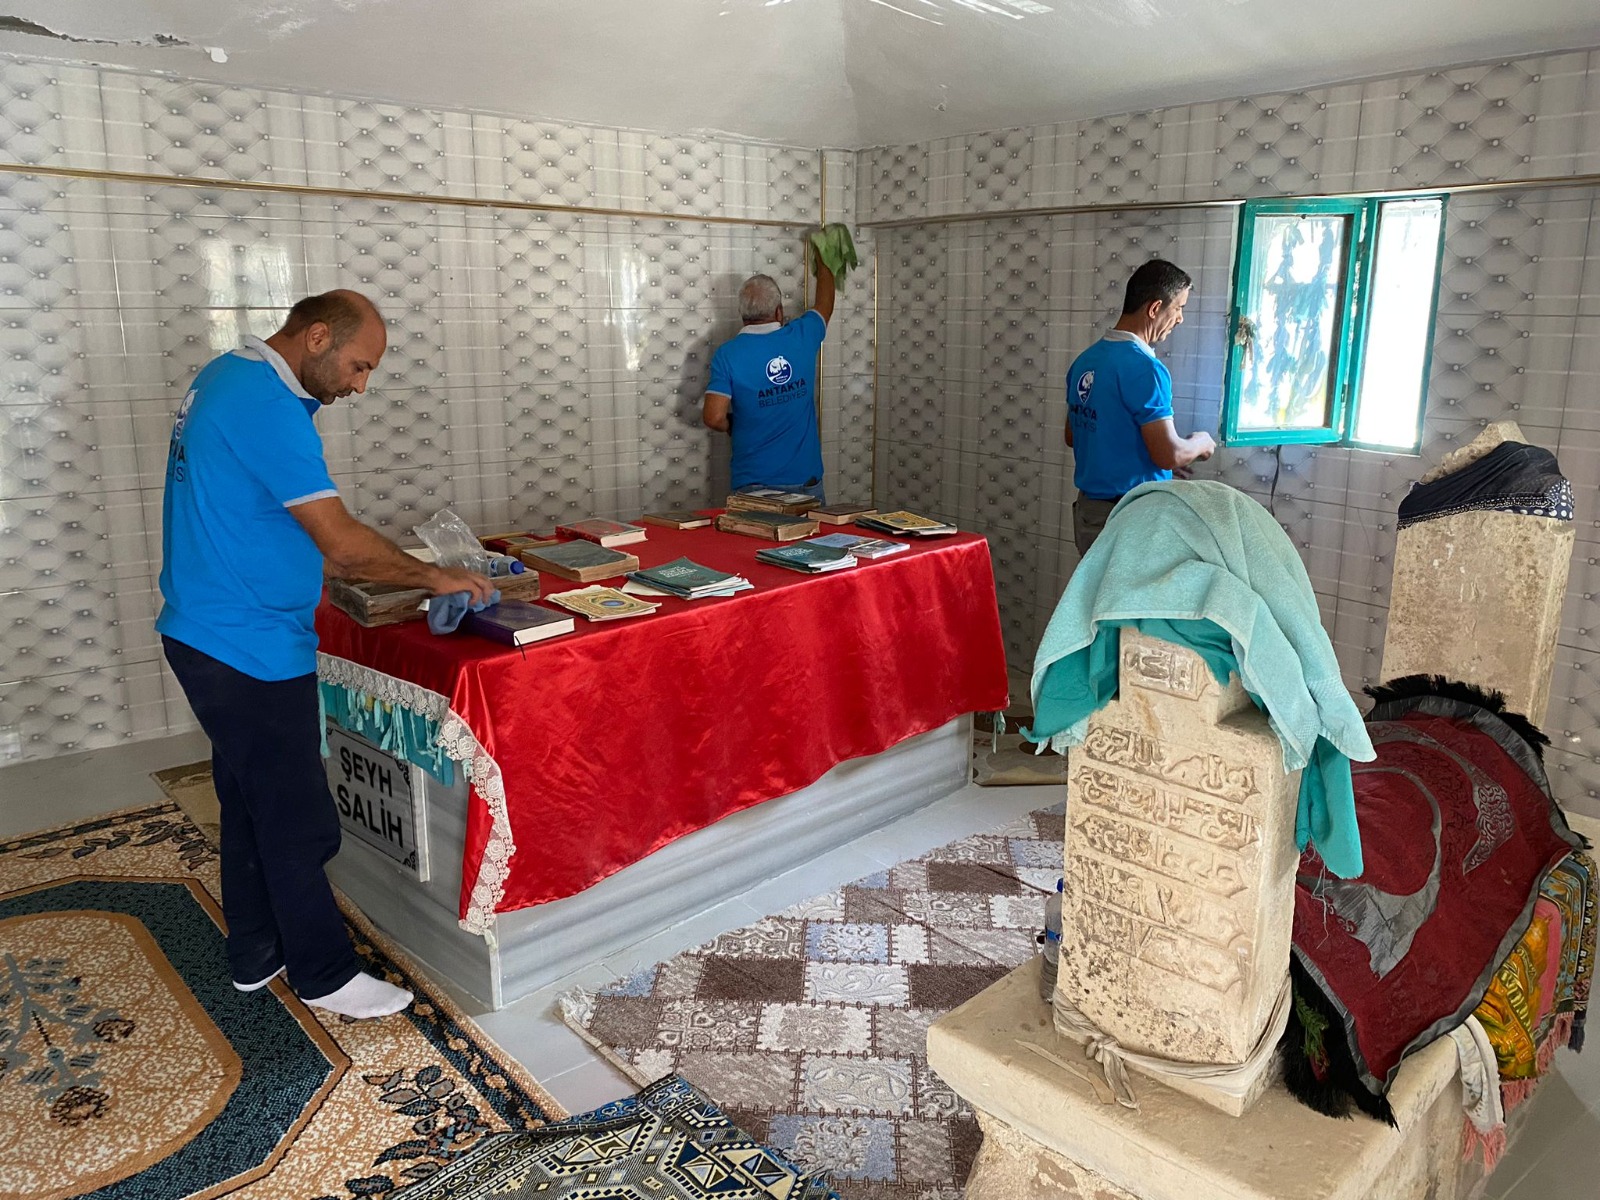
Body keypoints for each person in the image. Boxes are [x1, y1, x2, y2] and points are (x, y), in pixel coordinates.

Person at [156, 290, 494, 1019]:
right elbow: (338, 539)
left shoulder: (229, 376)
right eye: (358, 365)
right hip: (243, 646)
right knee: (299, 819)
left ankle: (255, 952)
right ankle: (324, 974)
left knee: (251, 802)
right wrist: (434, 576)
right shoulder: (265, 404)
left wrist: (343, 567)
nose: (359, 385)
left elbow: (268, 522)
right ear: (315, 337)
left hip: (208, 629)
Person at [1065, 259, 1216, 555]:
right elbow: (1168, 454)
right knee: (1134, 603)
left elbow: (1075, 435)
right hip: (1131, 518)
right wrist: (1200, 444)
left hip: (1090, 514)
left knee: (1101, 599)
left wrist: (1144, 459)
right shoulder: (1146, 368)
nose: (1181, 319)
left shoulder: (1086, 361)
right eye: (1179, 308)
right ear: (1154, 308)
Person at [702, 261, 835, 502]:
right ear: (779, 312)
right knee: (812, 541)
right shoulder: (802, 335)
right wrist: (824, 260)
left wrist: (732, 425)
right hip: (806, 481)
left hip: (754, 484)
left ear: (742, 315)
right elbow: (825, 305)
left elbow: (713, 417)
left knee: (759, 542)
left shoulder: (728, 354)